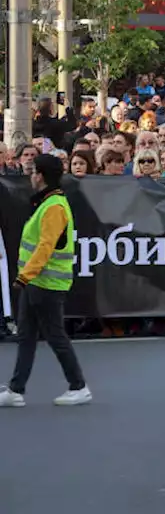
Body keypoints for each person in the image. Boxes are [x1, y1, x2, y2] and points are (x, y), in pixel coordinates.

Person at [0, 154, 90, 407]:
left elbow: (45, 246)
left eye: (33, 172)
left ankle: (79, 386)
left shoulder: (54, 206)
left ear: (39, 175)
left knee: (55, 336)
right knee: (27, 336)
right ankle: (16, 390)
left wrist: (24, 276)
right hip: (37, 282)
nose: (30, 176)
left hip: (47, 283)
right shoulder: (48, 203)